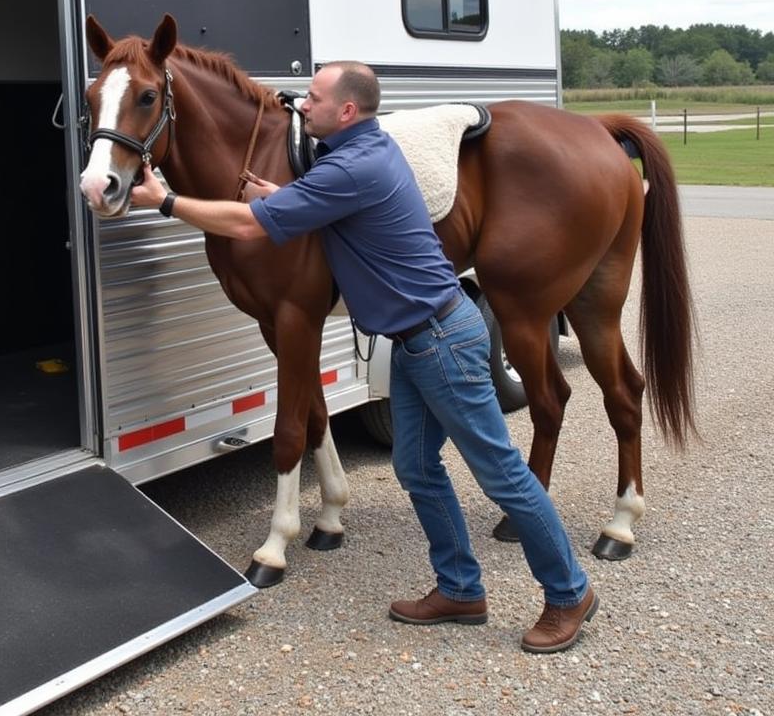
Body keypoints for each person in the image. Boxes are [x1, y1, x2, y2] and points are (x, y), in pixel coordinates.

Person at [129, 61, 598, 653]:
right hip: (416, 342)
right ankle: (459, 587)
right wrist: (281, 197)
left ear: (346, 111)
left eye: (316, 98)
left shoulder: (351, 166)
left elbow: (249, 228)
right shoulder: (359, 154)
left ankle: (569, 594)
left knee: (501, 474)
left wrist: (167, 200)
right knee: (417, 469)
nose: (302, 105)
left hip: (441, 343)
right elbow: (328, 209)